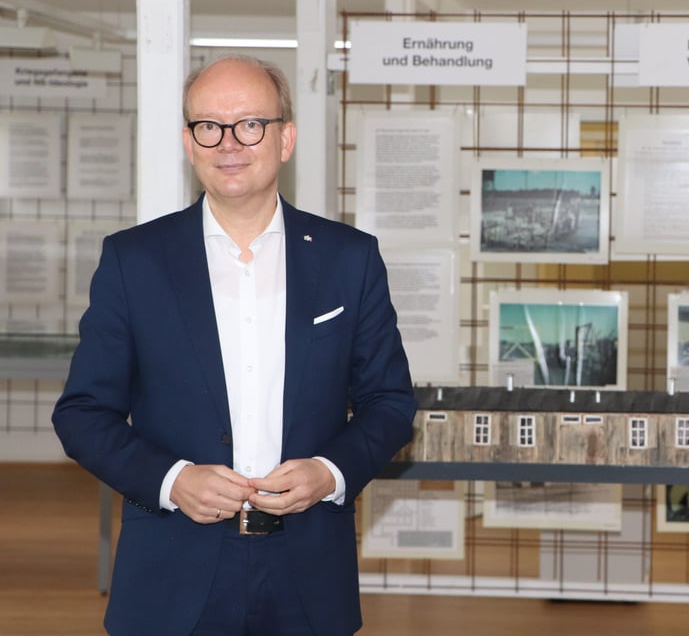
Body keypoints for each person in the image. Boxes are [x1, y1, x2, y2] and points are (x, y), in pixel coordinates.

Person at [52, 55, 417, 636]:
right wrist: (173, 480)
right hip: (172, 566)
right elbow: (81, 415)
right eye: (209, 127)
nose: (229, 143)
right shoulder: (134, 260)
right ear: (188, 142)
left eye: (250, 124)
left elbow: (391, 405)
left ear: (285, 138)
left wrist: (329, 471)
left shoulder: (350, 258)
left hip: (308, 569)